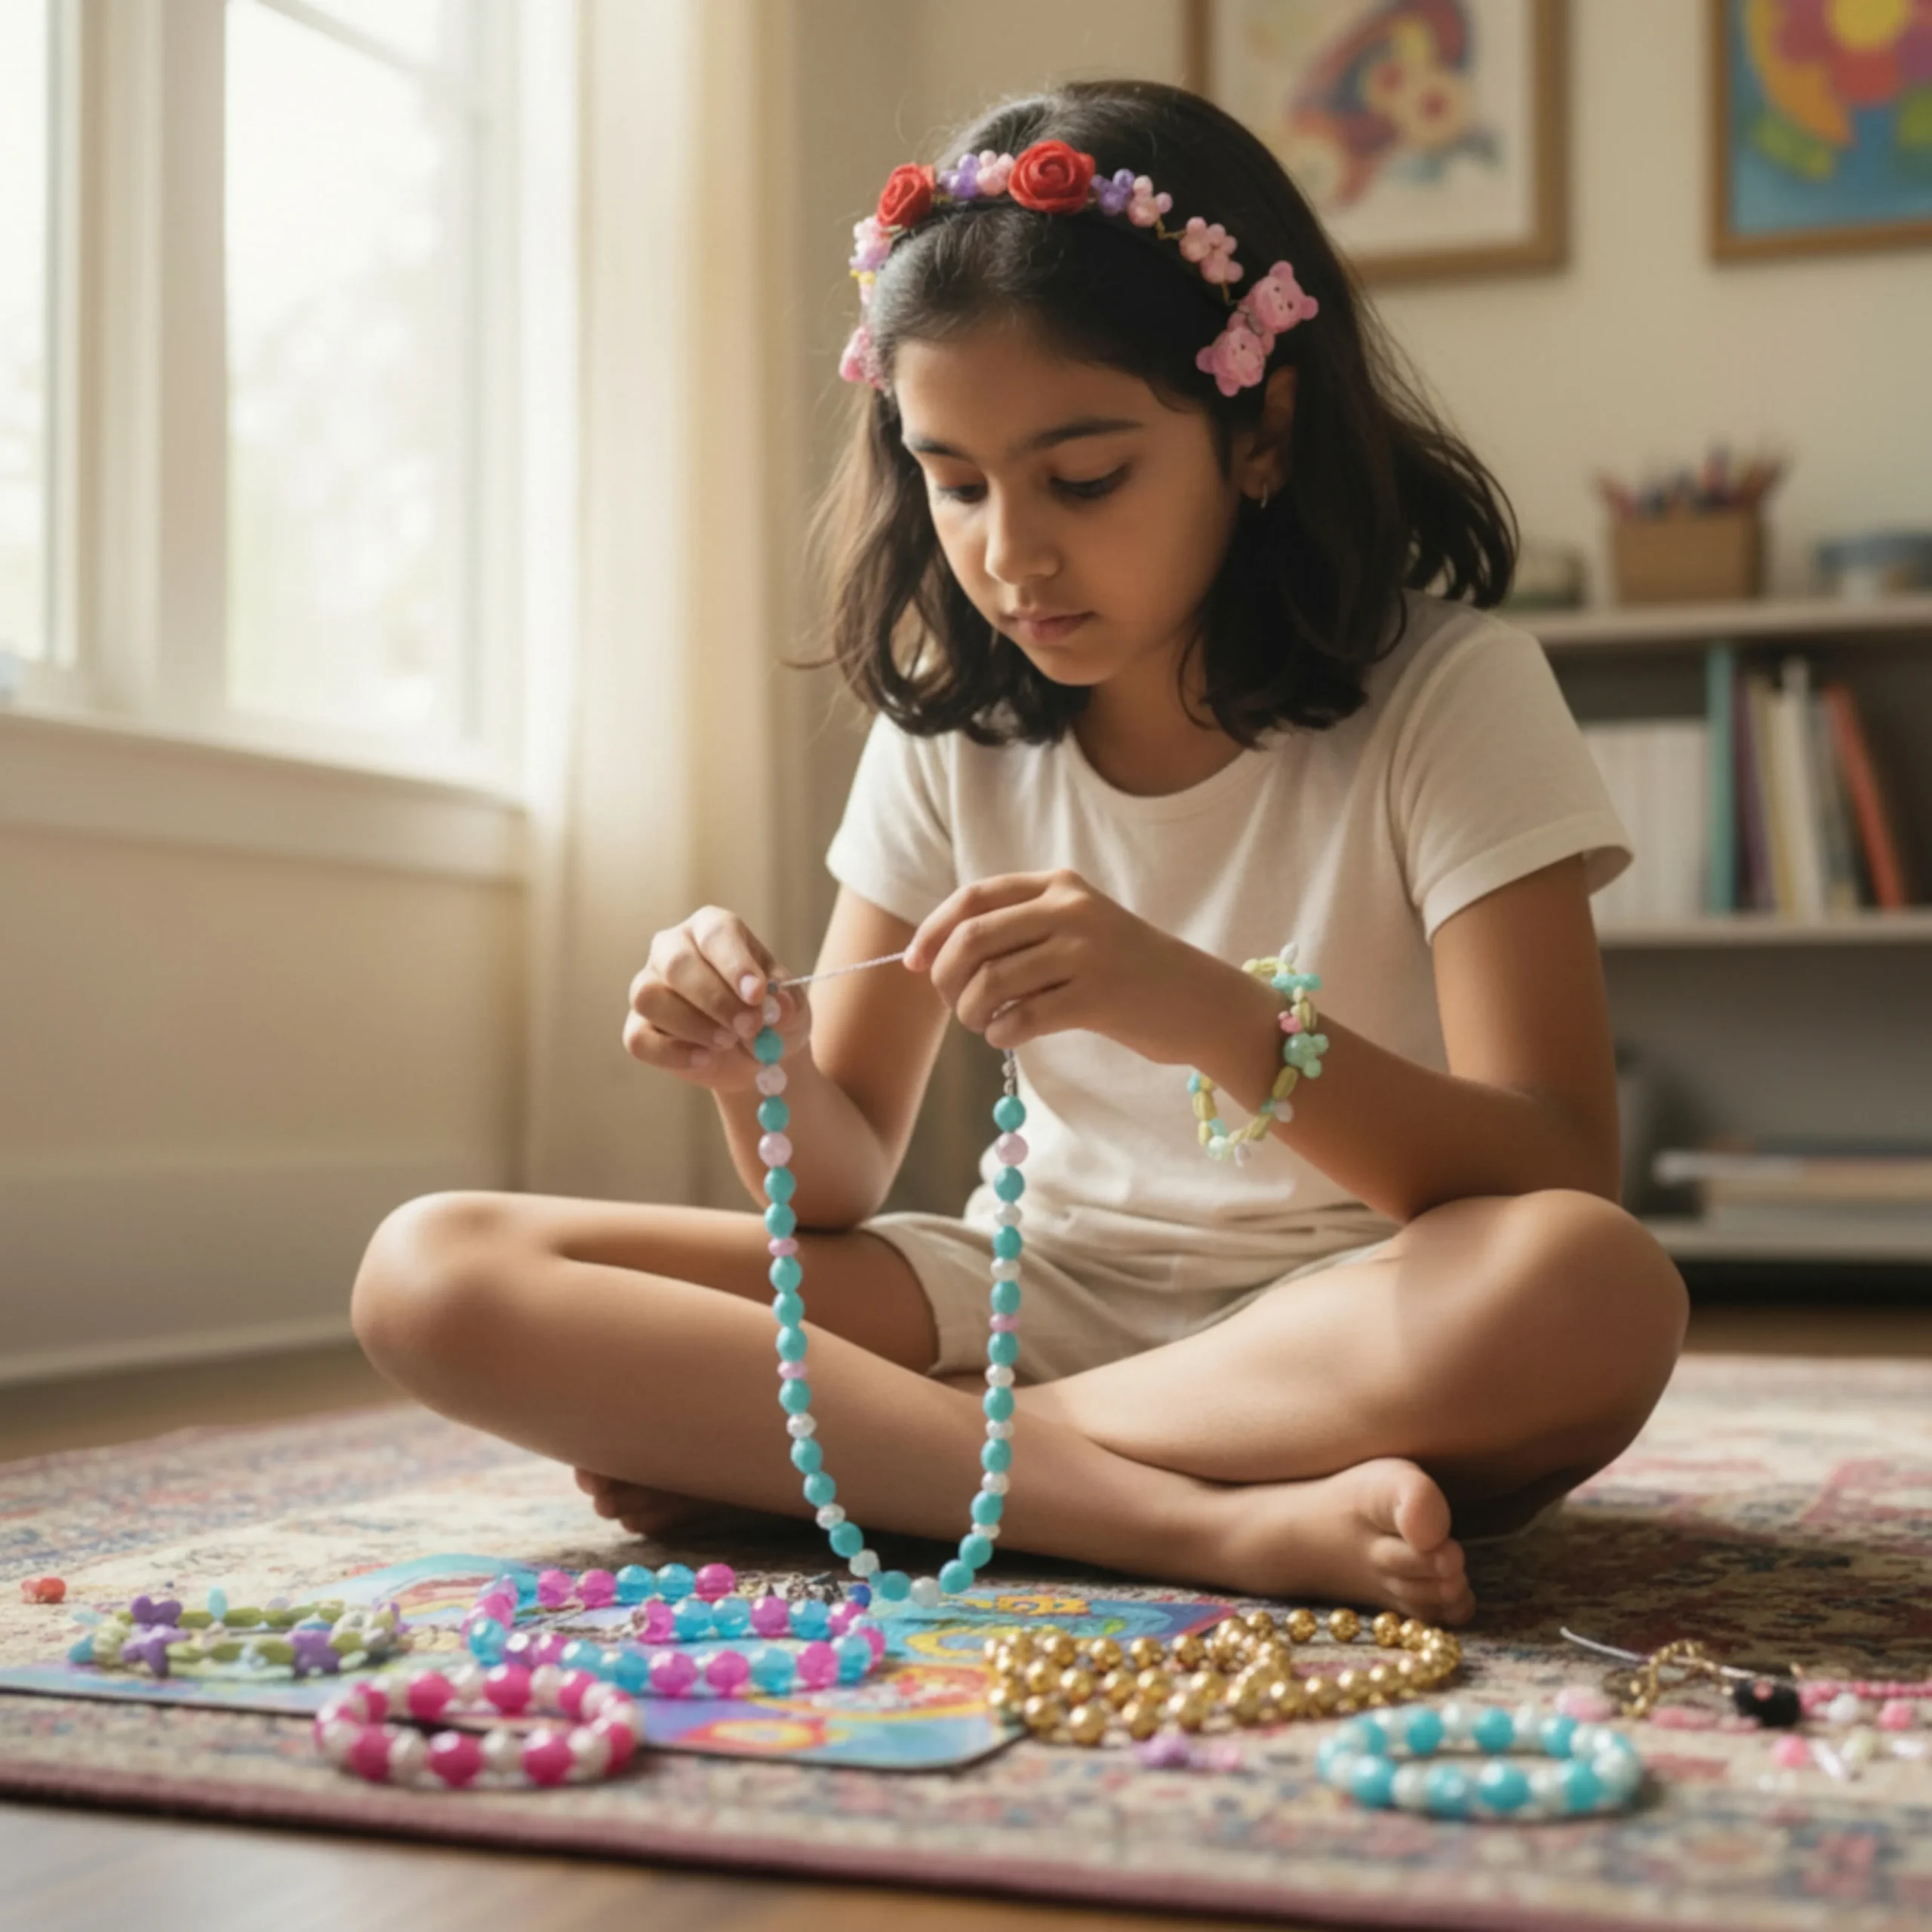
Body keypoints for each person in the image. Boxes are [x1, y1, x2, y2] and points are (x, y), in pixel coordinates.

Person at [352, 80, 1688, 1629]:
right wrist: (754, 1064)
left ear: (1258, 430)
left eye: (1084, 476)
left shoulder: (1449, 693)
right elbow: (839, 1171)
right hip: (1016, 1302)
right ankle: (1187, 1524)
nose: (1009, 552)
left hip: (1343, 1321)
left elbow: (1549, 1161)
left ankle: (892, 1466)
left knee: (1588, 1288)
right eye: (956, 478)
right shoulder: (948, 735)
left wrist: (1194, 1009)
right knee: (428, 1267)